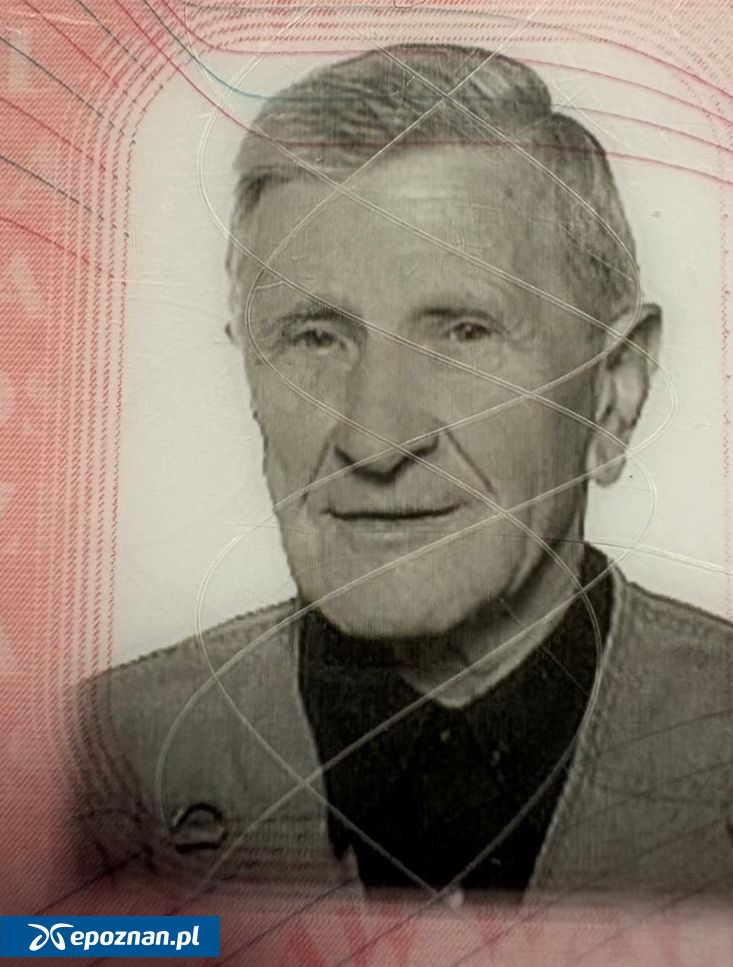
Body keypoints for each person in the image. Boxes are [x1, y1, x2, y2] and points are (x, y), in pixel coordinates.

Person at [69, 44, 733, 903]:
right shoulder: (88, 770)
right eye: (315, 337)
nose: (376, 442)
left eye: (463, 333)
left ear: (612, 394)